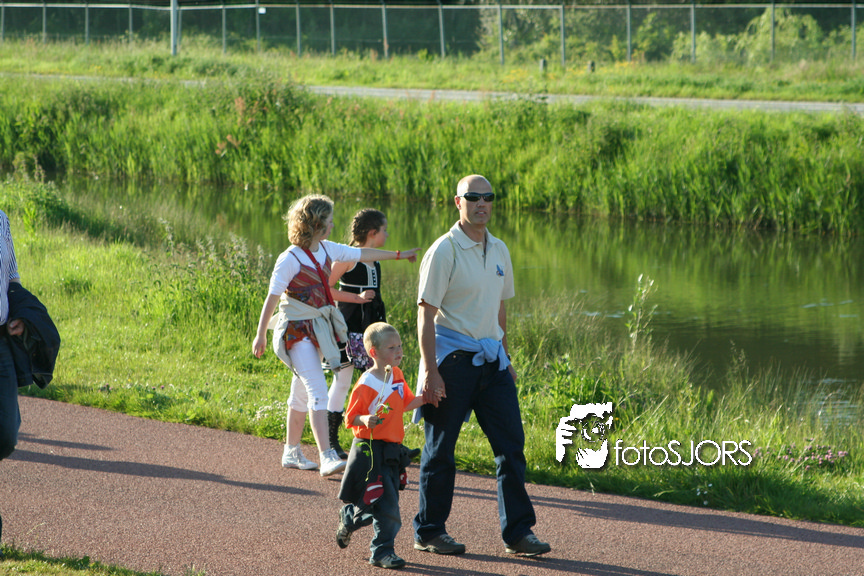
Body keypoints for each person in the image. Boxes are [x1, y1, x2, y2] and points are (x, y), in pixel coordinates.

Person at [412, 175, 551, 557]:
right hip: (452, 363)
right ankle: (429, 531)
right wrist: (430, 370)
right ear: (457, 202)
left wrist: (506, 356)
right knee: (441, 450)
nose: (481, 204)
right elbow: (425, 314)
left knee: (511, 447)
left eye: (487, 197)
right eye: (473, 197)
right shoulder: (444, 250)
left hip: (493, 364)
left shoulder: (500, 248)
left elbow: (499, 307)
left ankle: (518, 533)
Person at [252, 195, 418, 477]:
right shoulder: (290, 258)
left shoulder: (327, 249)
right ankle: (327, 455)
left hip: (319, 330)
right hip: (296, 331)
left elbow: (364, 254)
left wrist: (400, 255)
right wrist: (261, 335)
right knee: (317, 389)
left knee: (300, 392)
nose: (332, 226)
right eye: (328, 221)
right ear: (316, 224)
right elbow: (272, 298)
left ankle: (291, 451)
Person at [326, 208, 416, 459]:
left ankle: (389, 441)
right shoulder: (347, 258)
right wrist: (358, 298)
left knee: (383, 381)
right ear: (372, 233)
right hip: (349, 329)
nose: (387, 235)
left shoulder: (374, 260)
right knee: (343, 381)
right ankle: (331, 441)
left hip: (372, 328)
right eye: (384, 230)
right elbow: (326, 289)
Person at [336, 322, 427, 569]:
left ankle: (381, 550)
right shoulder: (366, 383)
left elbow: (405, 403)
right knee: (374, 502)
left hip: (391, 451)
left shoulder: (397, 375)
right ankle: (354, 521)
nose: (399, 351)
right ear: (373, 352)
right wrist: (365, 419)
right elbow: (350, 418)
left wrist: (425, 399)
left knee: (387, 504)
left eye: (400, 346)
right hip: (369, 450)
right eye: (391, 347)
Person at [0, 210, 24, 544]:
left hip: (1, 340)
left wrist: (19, 314)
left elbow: (13, 277)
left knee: (6, 435)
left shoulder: (1, 219)